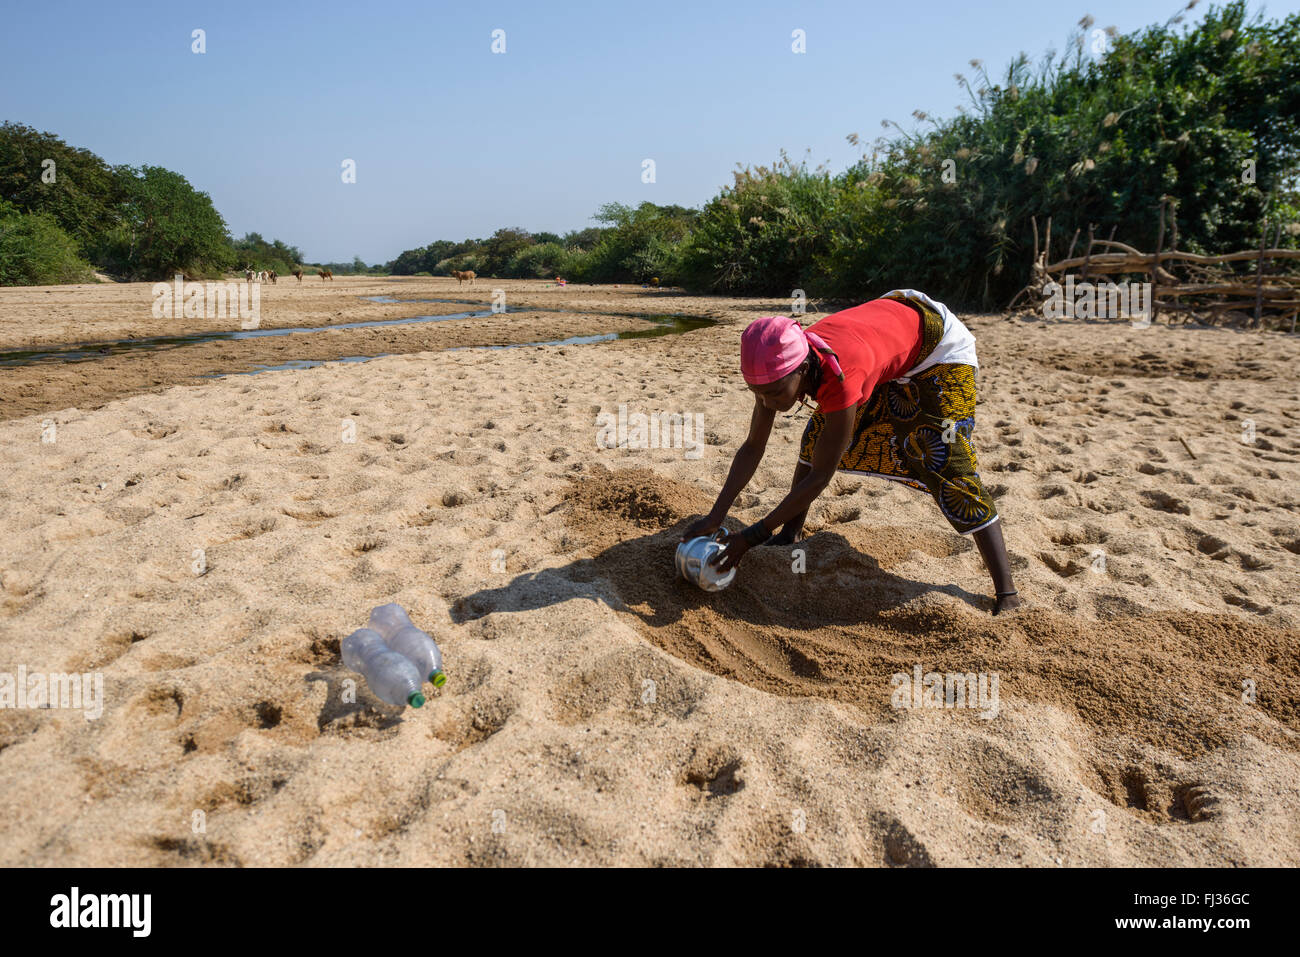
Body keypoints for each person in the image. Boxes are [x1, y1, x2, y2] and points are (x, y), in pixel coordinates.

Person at [681, 289, 1020, 615]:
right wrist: (716, 516)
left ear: (801, 370)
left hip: (936, 347)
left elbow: (820, 477)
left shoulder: (839, 375)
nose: (768, 402)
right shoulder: (774, 367)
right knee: (816, 439)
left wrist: (752, 536)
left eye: (773, 393)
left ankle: (1007, 591)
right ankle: (790, 534)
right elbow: (753, 446)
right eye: (758, 393)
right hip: (884, 337)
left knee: (945, 461)